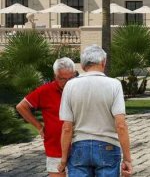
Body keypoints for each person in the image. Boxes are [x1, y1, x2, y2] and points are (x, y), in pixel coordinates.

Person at [58, 45, 132, 177]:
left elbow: (67, 128)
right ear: (103, 62)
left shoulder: (70, 86)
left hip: (79, 147)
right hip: (108, 147)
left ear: (82, 65)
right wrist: (127, 159)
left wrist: (63, 159)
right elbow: (121, 125)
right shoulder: (114, 85)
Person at [16, 57, 77, 177]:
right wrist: (39, 126)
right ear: (55, 76)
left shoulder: (80, 89)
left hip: (79, 146)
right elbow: (21, 106)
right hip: (54, 146)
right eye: (62, 79)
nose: (66, 82)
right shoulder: (45, 91)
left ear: (74, 74)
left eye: (70, 78)